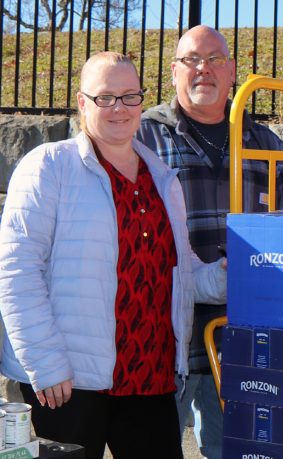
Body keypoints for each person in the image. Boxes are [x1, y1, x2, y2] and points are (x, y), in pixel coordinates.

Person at [0, 51, 226, 458]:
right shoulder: (49, 167)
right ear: (83, 102)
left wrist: (229, 274)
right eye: (105, 97)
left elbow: (183, 273)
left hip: (150, 376)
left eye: (129, 96)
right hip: (67, 382)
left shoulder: (162, 178)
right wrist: (46, 364)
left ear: (142, 100)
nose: (119, 108)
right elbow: (17, 270)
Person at [136, 25, 283, 459]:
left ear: (233, 72)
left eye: (214, 60)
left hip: (243, 335)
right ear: (173, 72)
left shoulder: (267, 144)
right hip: (164, 333)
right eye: (191, 60)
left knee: (236, 450)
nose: (203, 69)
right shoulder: (143, 137)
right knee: (154, 447)